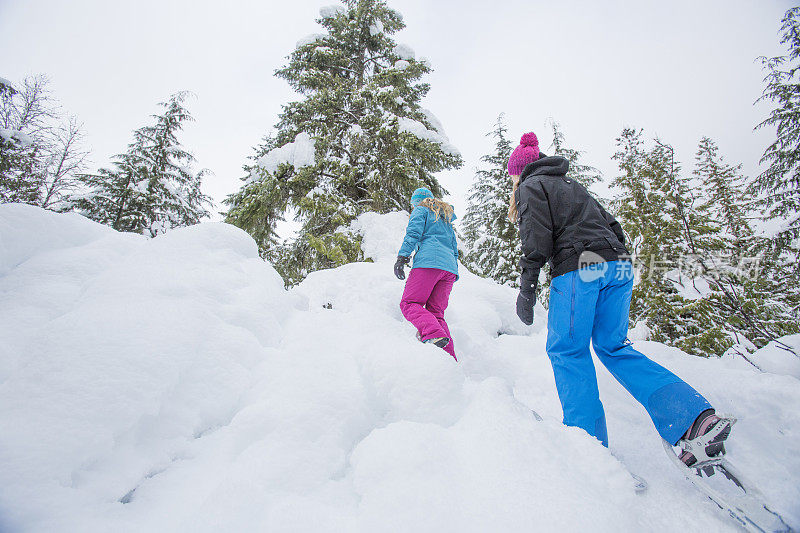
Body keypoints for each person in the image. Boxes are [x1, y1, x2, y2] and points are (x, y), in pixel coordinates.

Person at [509, 131, 730, 466]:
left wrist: (527, 287)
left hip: (579, 268)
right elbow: (614, 227)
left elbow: (536, 240)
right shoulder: (574, 186)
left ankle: (589, 451)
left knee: (567, 350)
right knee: (613, 346)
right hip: (618, 265)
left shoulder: (530, 186)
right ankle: (694, 419)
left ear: (520, 170)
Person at [395, 187, 459, 361]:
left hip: (428, 264)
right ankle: (449, 358)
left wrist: (402, 257)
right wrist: (453, 273)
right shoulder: (445, 219)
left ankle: (432, 333)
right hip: (449, 270)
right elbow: (454, 249)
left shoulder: (421, 210)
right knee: (436, 313)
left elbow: (413, 233)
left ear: (416, 202)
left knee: (409, 303)